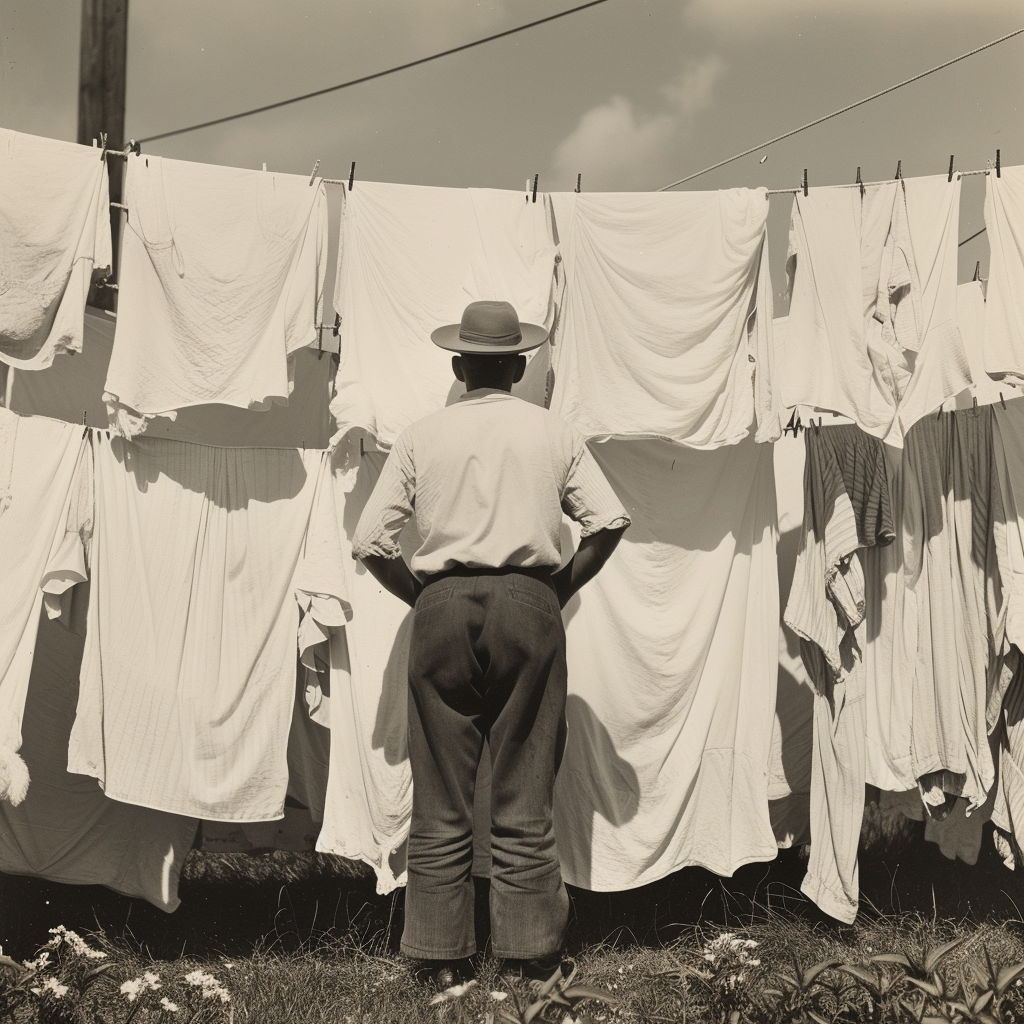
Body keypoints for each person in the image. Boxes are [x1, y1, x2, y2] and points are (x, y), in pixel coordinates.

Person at [351, 299, 630, 989]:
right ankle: (528, 958)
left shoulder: (421, 436)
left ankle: (441, 965)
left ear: (458, 365)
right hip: (528, 603)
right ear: (517, 366)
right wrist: (555, 590)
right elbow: (610, 521)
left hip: (442, 606)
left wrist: (424, 596)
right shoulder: (552, 432)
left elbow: (369, 542)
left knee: (442, 794)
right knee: (524, 789)